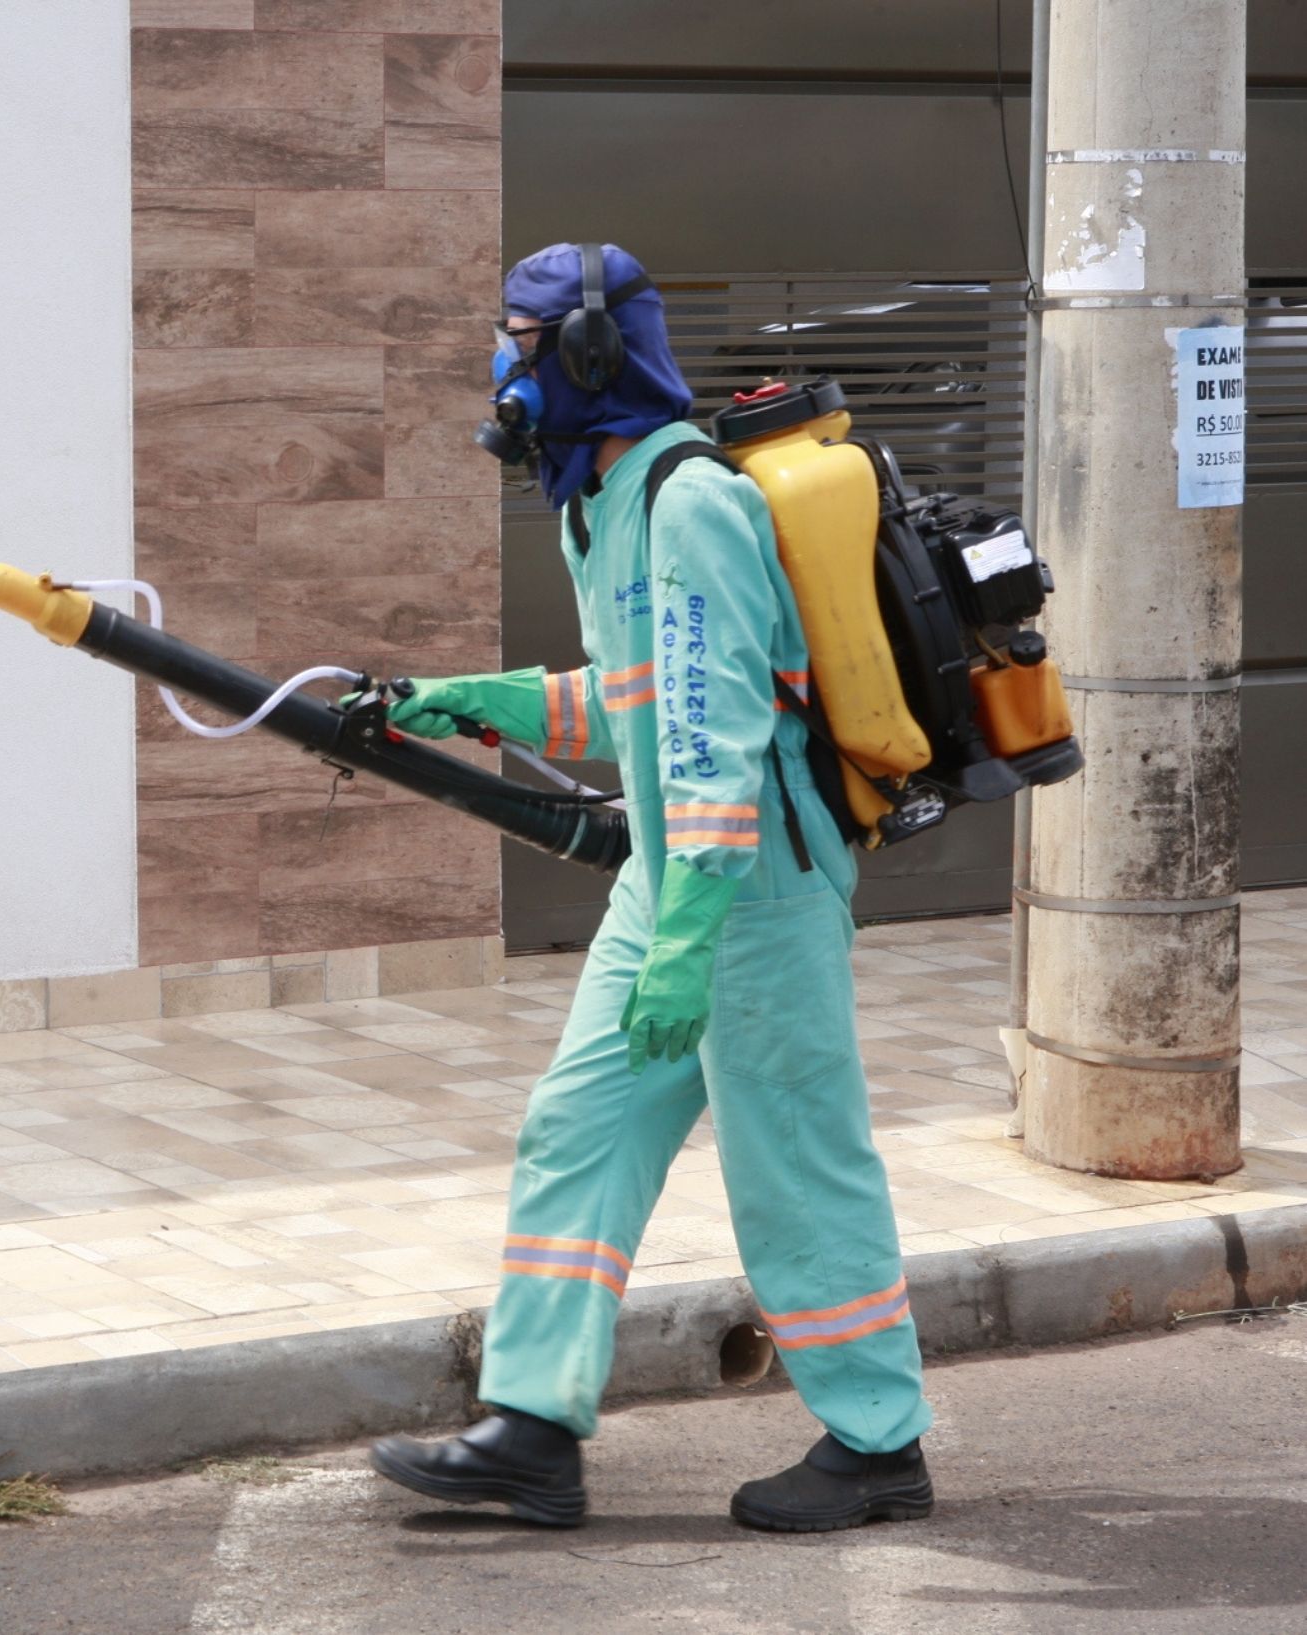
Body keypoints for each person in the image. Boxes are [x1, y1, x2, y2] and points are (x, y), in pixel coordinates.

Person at [364, 243, 934, 1533]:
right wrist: (480, 697)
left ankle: (879, 1441)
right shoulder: (599, 503)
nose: (502, 366)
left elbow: (718, 741)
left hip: (754, 893)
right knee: (579, 1131)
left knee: (794, 1164)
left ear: (587, 354)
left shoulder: (687, 503)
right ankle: (531, 1428)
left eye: (519, 339)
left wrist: (689, 942)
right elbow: (633, 705)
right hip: (671, 889)